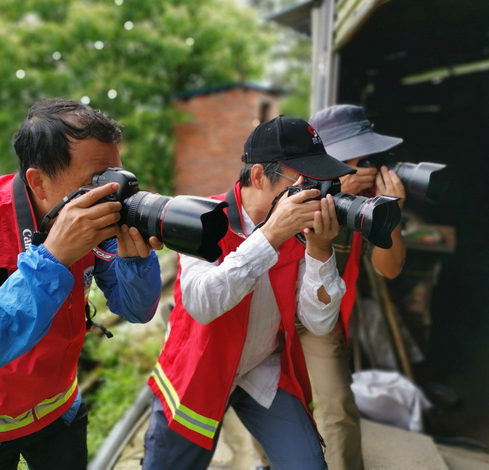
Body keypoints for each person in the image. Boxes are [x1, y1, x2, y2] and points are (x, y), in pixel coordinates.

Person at [0, 98, 163, 470]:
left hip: (55, 410)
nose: (111, 193)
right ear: (38, 181)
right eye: (96, 182)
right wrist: (53, 258)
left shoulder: (93, 219)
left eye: (116, 177)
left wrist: (136, 261)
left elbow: (136, 310)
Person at [143, 115, 356, 470]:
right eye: (303, 181)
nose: (314, 192)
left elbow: (318, 323)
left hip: (262, 366)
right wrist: (269, 236)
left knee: (308, 465)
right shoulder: (199, 216)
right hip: (199, 368)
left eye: (321, 180)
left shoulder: (301, 229)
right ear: (258, 176)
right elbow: (201, 303)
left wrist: (320, 250)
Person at [298, 104, 408, 470]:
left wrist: (390, 215)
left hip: (319, 315)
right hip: (269, 308)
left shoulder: (368, 203)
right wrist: (330, 195)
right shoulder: (291, 184)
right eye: (350, 158)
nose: (363, 167)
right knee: (269, 397)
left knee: (336, 403)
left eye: (366, 157)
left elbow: (388, 269)